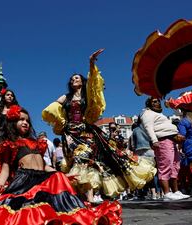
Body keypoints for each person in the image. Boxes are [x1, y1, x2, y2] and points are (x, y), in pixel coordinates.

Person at [0, 105, 122, 225]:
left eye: (27, 120)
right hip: (25, 179)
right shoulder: (11, 144)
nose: (25, 123)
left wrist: (64, 174)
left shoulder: (38, 144)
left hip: (43, 176)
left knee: (59, 178)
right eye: (20, 120)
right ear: (13, 124)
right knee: (17, 209)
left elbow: (45, 166)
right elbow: (7, 169)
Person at [42, 49, 156, 202]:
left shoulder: (87, 95)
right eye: (71, 79)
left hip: (86, 133)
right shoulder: (66, 96)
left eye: (76, 78)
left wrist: (91, 63)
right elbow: (52, 109)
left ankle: (89, 197)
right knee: (76, 162)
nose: (73, 80)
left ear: (82, 81)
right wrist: (61, 124)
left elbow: (94, 83)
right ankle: (82, 197)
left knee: (85, 159)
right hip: (70, 134)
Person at [140, 97, 189, 201]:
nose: (157, 103)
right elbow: (148, 127)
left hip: (171, 140)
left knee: (175, 166)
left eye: (158, 101)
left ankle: (175, 191)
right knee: (165, 166)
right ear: (148, 104)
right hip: (162, 141)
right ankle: (166, 193)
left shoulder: (158, 114)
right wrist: (154, 140)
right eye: (154, 101)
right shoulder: (147, 113)